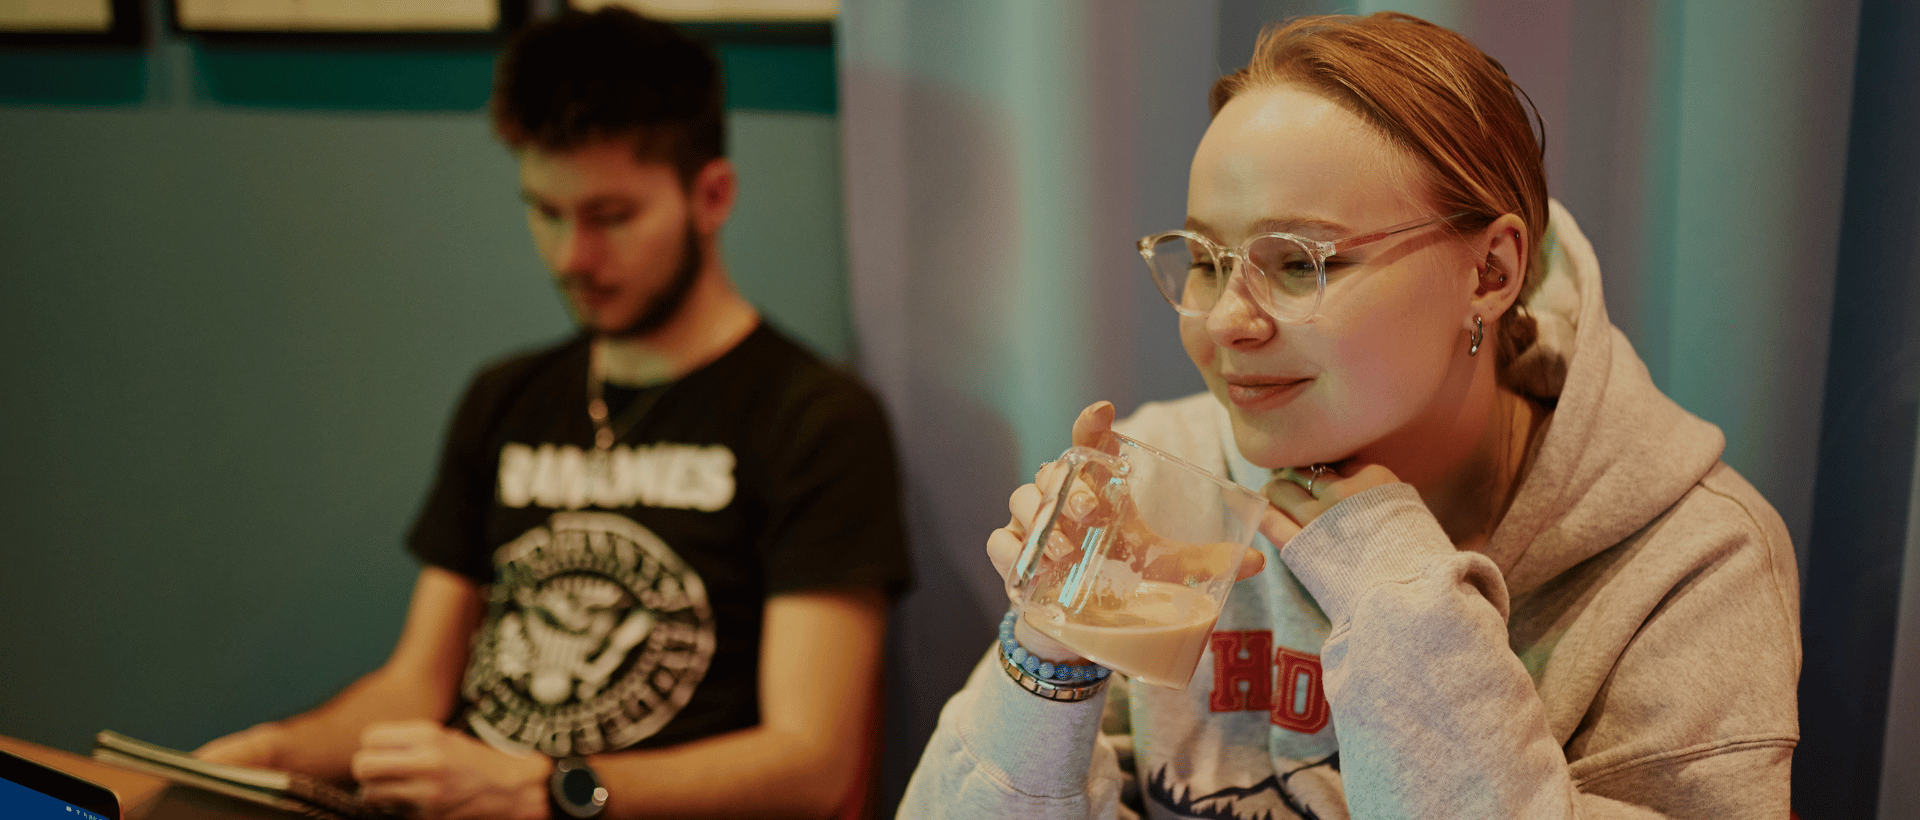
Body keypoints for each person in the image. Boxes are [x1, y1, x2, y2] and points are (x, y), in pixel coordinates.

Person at [900, 11, 1797, 819]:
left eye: (1298, 263)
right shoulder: (1171, 479)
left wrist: (1396, 587)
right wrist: (1050, 655)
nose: (1225, 322)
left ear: (1489, 273)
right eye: (1205, 260)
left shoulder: (1692, 561)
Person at [193, 8, 911, 819]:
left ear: (711, 196)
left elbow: (812, 765)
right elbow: (414, 685)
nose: (573, 257)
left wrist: (545, 789)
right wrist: (272, 756)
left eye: (612, 217)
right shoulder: (506, 396)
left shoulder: (815, 419)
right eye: (546, 211)